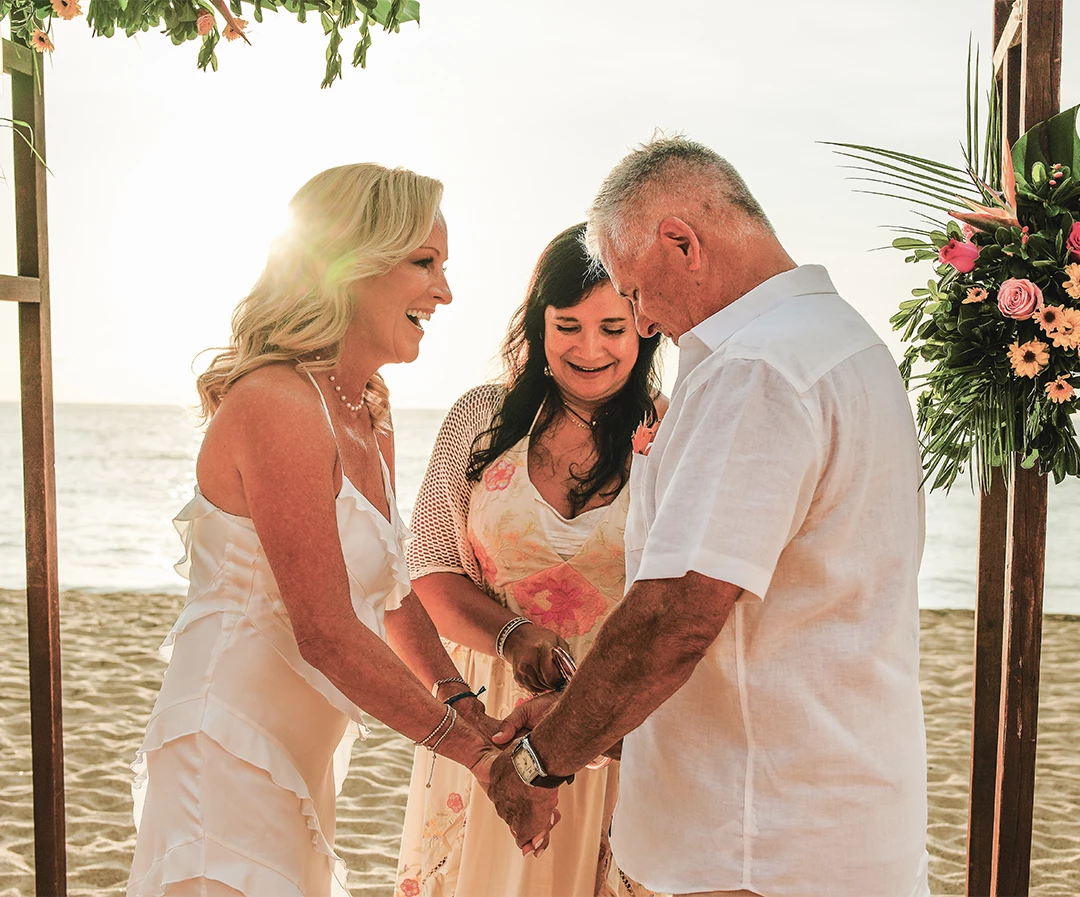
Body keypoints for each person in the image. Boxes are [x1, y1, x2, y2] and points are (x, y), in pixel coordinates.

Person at [487, 137, 930, 897]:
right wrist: (584, 715)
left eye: (630, 291)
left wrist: (542, 759)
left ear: (682, 242)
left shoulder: (757, 368)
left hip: (752, 850)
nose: (641, 319)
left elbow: (678, 617)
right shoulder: (848, 342)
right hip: (829, 824)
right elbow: (782, 625)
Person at [126, 164, 556, 897]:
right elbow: (323, 628)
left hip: (303, 761)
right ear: (349, 264)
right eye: (425, 262)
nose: (444, 292)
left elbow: (389, 597)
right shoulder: (278, 403)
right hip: (225, 748)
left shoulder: (366, 409)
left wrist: (465, 704)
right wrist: (475, 756)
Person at [394, 223, 664, 897]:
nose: (590, 347)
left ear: (645, 327)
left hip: (618, 722)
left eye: (612, 326)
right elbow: (426, 566)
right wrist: (510, 633)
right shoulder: (479, 419)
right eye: (568, 324)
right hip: (491, 719)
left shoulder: (673, 432)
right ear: (538, 322)